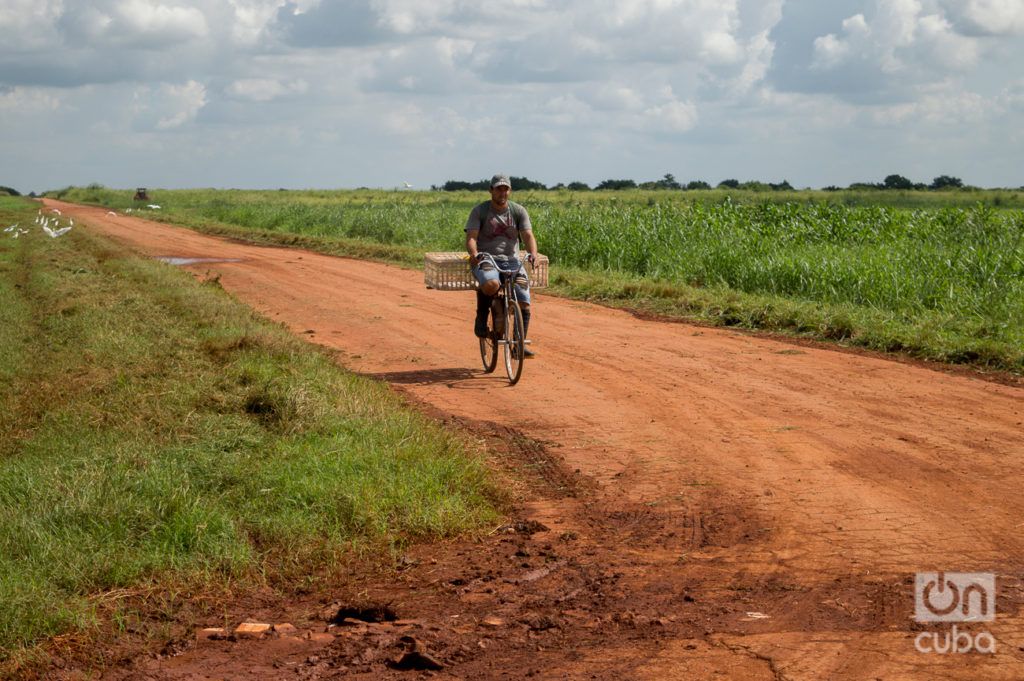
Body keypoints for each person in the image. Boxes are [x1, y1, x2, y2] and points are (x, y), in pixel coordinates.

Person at [465, 173, 540, 357]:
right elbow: (471, 237)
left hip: (512, 261)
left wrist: (533, 253)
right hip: (486, 259)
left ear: (510, 191)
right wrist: (474, 254)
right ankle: (482, 316)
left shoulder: (518, 211)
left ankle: (518, 344)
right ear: (491, 190)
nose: (502, 192)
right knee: (491, 284)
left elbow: (528, 235)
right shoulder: (480, 211)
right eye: (498, 189)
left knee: (524, 300)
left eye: (505, 189)